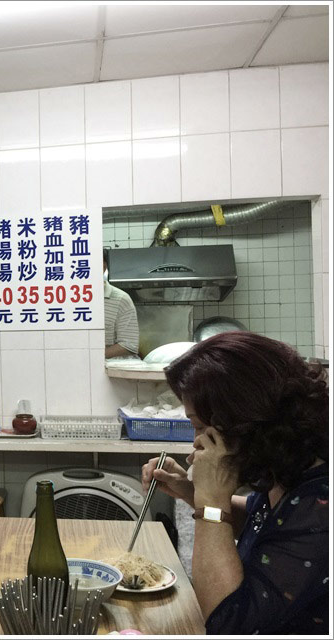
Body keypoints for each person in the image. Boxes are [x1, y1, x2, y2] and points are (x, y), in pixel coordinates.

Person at [141, 332, 328, 635]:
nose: (195, 442)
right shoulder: (290, 468)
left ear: (243, 420)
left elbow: (228, 622)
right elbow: (262, 521)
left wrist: (211, 502)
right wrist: (191, 492)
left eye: (200, 427)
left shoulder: (320, 507)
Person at [103, 248, 139, 358]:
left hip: (108, 372)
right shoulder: (70, 298)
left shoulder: (121, 299)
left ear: (103, 267)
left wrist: (90, 356)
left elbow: (129, 345)